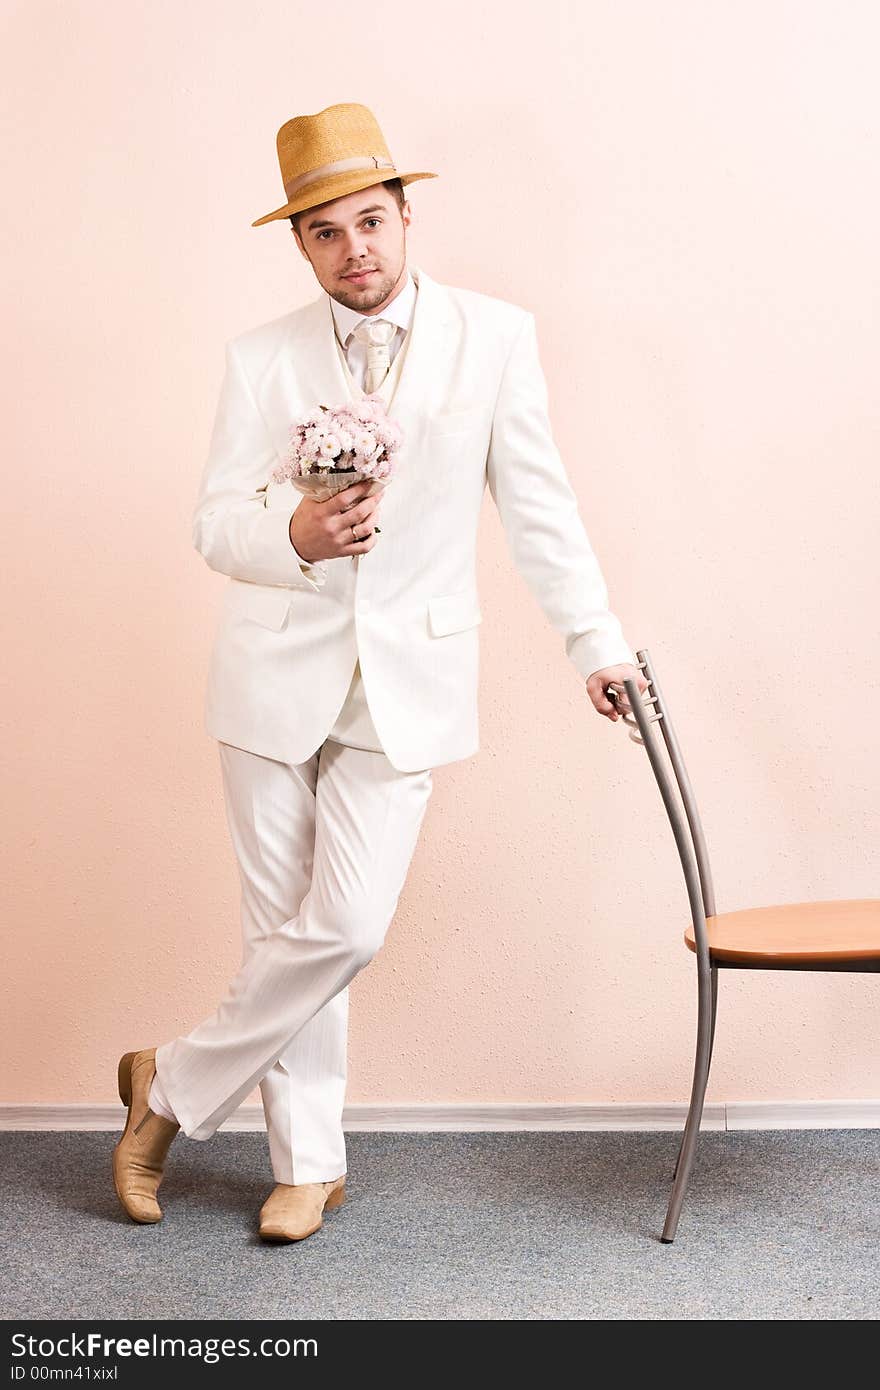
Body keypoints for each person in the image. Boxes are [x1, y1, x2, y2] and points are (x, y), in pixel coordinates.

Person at [112, 102, 649, 1243]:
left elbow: (539, 511)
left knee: (344, 926)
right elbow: (217, 522)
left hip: (411, 683)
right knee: (279, 932)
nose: (354, 248)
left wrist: (594, 641)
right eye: (324, 233)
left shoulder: (495, 339)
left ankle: (165, 1085)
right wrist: (293, 534)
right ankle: (307, 1165)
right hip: (269, 679)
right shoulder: (259, 358)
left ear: (405, 217)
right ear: (300, 246)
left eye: (370, 220)